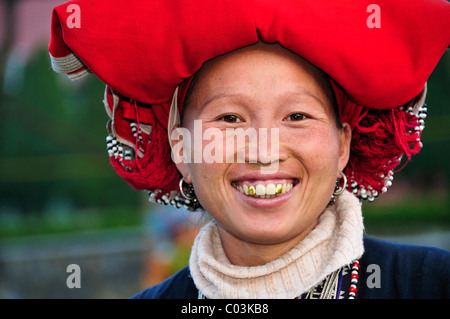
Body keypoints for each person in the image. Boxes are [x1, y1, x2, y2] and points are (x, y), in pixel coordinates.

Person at [48, 0, 450, 298]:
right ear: (181, 150)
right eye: (230, 119)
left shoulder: (431, 284)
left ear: (343, 144)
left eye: (296, 116)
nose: (263, 150)